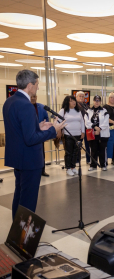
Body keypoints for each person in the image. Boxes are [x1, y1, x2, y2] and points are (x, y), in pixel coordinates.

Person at [3, 69, 65, 219]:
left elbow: (20, 130)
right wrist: (53, 130)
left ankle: (16, 234)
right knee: (28, 202)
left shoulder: (9, 101)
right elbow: (30, 139)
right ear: (30, 85)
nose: (38, 87)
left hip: (18, 158)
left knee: (19, 196)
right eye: (37, 84)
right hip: (29, 160)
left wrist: (39, 127)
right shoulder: (26, 105)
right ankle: (23, 239)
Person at [59, 95, 85, 176]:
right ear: (67, 102)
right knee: (68, 152)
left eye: (74, 100)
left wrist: (83, 132)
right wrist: (60, 131)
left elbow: (82, 122)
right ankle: (68, 168)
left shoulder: (78, 111)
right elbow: (58, 122)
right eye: (71, 101)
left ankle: (73, 167)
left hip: (77, 134)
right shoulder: (63, 111)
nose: (74, 102)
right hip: (68, 135)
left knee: (75, 152)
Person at [85, 95, 110, 171]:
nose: (97, 102)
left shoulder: (104, 111)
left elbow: (106, 122)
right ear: (93, 101)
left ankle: (103, 165)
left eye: (98, 100)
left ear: (100, 102)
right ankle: (93, 165)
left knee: (102, 150)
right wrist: (94, 127)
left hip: (102, 133)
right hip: (92, 133)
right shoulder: (88, 111)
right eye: (95, 100)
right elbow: (87, 122)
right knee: (93, 150)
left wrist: (99, 129)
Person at [30, 95, 50, 177]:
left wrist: (46, 129)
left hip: (40, 133)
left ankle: (42, 170)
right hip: (30, 134)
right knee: (31, 153)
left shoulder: (41, 107)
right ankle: (32, 171)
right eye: (32, 97)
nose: (33, 98)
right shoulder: (25, 106)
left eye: (34, 97)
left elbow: (47, 118)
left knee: (41, 152)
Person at [76, 91, 91, 165]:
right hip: (78, 128)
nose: (81, 98)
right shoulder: (74, 106)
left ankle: (88, 160)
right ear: (76, 97)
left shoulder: (86, 106)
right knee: (78, 144)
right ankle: (77, 161)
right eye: (80, 96)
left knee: (88, 145)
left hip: (87, 128)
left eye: (83, 96)